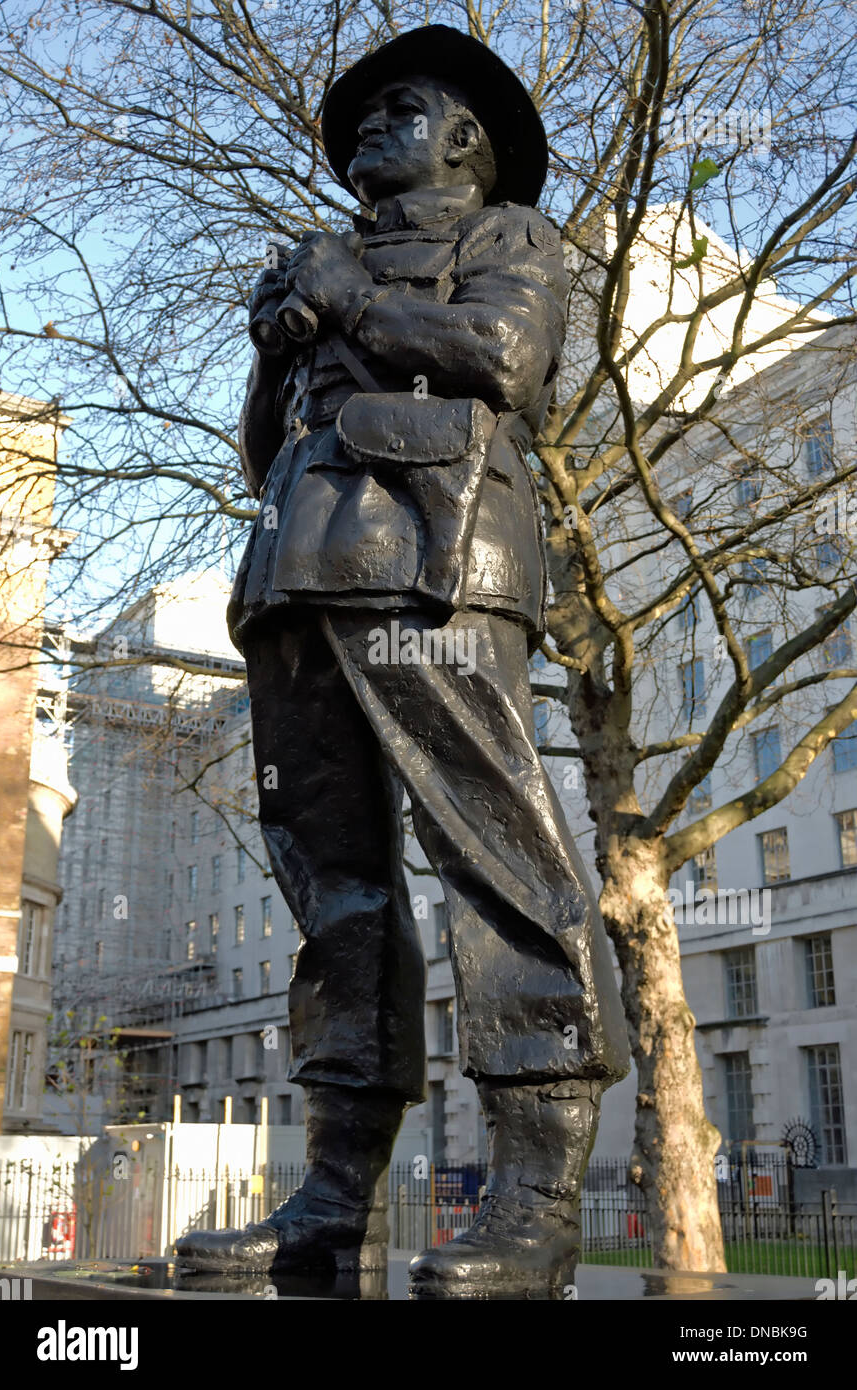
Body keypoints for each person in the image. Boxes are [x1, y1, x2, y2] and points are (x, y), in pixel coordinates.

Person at [175, 23, 629, 1299]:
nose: (372, 122)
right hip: (296, 579)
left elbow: (505, 362)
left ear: (469, 141)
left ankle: (536, 1204)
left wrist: (351, 301)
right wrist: (281, 340)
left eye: (402, 106)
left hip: (436, 564)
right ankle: (332, 1201)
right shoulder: (323, 263)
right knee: (336, 890)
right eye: (363, 112)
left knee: (497, 854)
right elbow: (265, 450)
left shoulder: (509, 236)